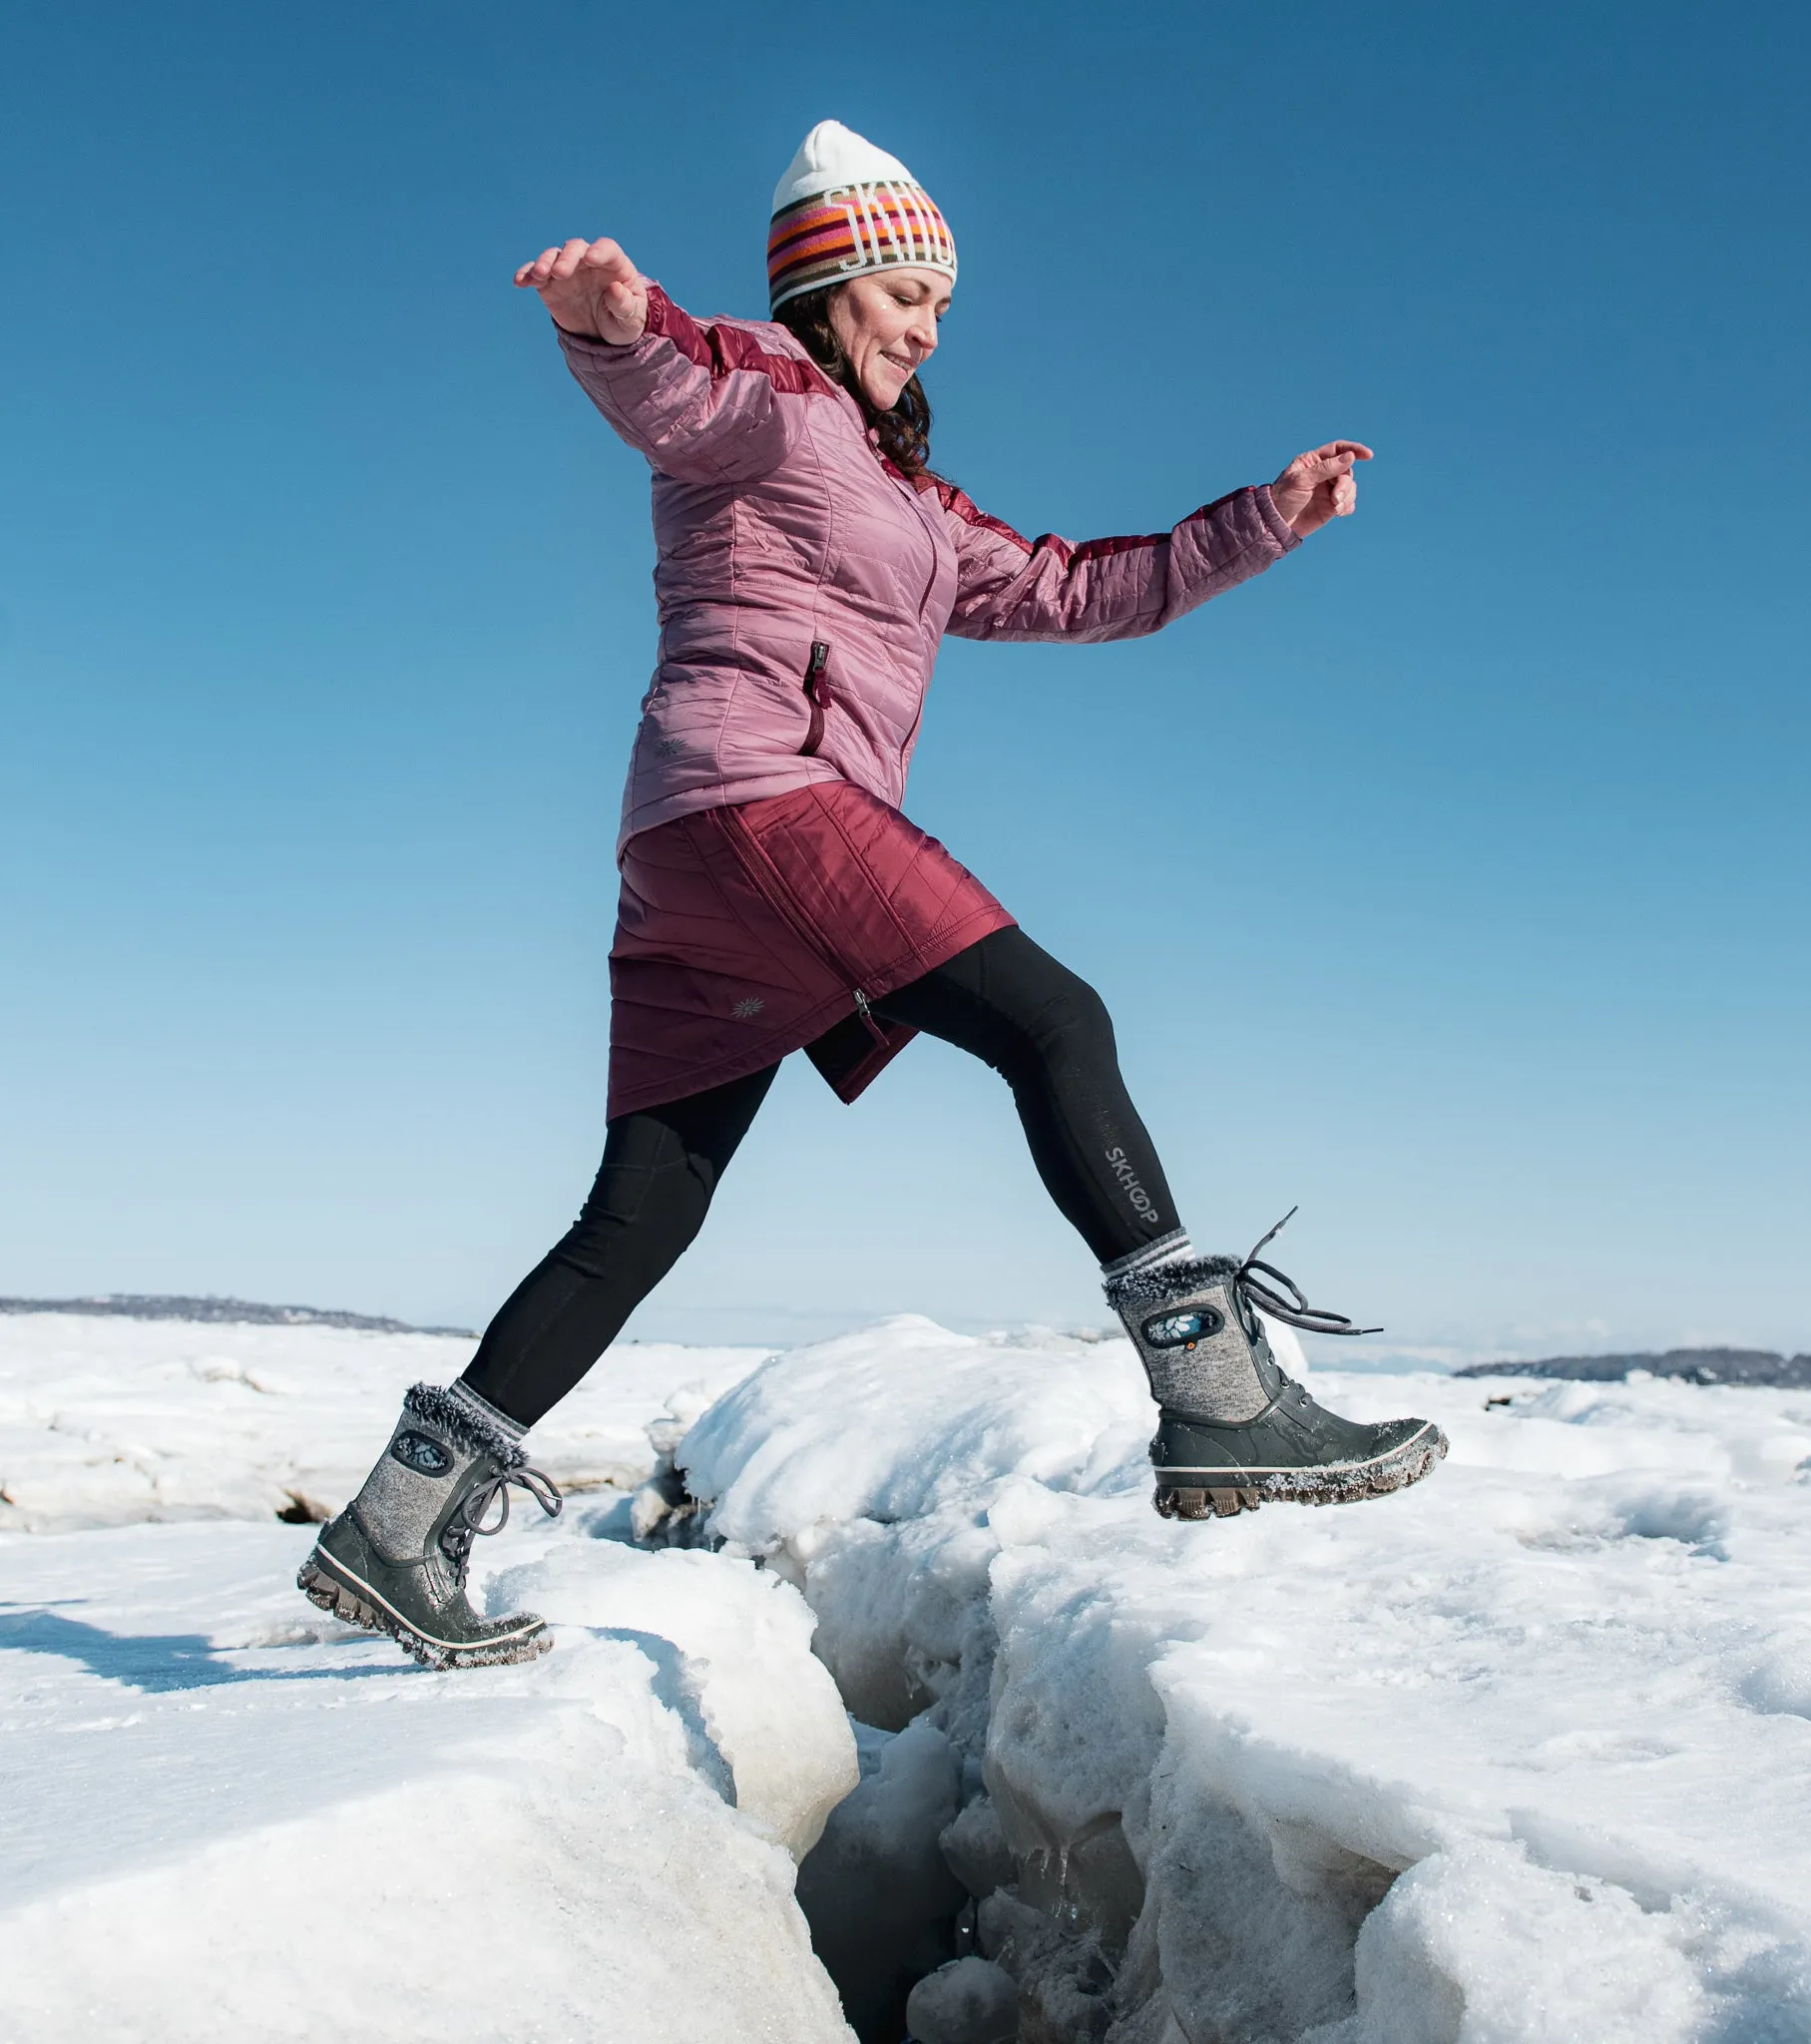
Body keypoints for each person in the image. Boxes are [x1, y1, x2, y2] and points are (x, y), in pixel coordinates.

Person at [299, 121, 1446, 1669]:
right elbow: (671, 378)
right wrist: (605, 319)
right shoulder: (766, 402)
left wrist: (1263, 520)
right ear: (826, 289)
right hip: (761, 793)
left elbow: (1074, 586)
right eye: (902, 288)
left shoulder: (916, 505)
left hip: (690, 854)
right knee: (1057, 1020)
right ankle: (1218, 1401)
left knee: (643, 1211)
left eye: (942, 303)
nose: (926, 322)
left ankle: (392, 1527)